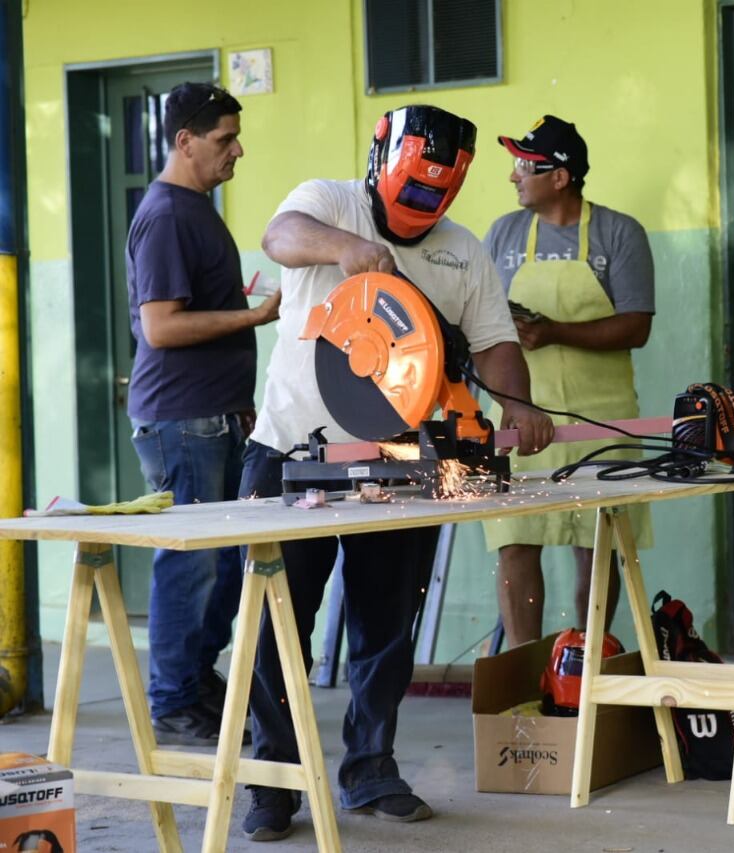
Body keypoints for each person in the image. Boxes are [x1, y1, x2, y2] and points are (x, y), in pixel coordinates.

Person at [239, 104, 553, 841]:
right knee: (275, 625)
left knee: (388, 624)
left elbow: (496, 342)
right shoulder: (327, 201)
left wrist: (519, 407)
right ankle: (272, 780)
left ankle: (371, 767)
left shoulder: (462, 252)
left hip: (403, 464)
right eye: (409, 198)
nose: (418, 214)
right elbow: (277, 236)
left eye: (432, 203)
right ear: (380, 162)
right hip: (292, 450)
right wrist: (346, 246)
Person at [125, 82, 281, 747]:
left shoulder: (194, 208)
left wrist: (238, 400)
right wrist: (251, 315)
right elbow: (160, 328)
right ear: (184, 141)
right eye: (224, 139)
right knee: (190, 564)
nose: (237, 150)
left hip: (213, 415)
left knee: (222, 563)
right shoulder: (165, 214)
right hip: (180, 420)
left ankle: (193, 678)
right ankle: (172, 699)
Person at [480, 116, 656, 646]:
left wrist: (554, 330)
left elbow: (637, 324)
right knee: (516, 540)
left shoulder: (617, 232)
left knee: (598, 539)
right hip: (519, 410)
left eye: (524, 166)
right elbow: (481, 321)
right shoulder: (503, 233)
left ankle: (586, 659)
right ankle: (525, 666)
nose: (513, 177)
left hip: (601, 415)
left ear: (560, 177)